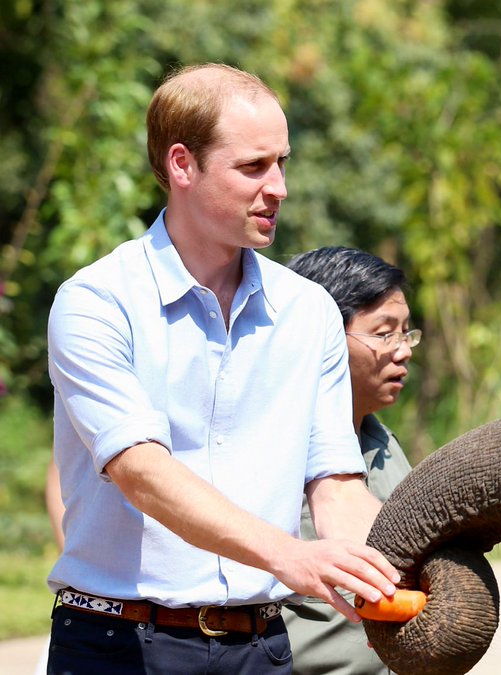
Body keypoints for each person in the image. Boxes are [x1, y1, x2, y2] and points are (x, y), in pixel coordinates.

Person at [44, 63, 400, 674]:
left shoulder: (308, 311)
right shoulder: (96, 302)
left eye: (282, 162)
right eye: (253, 166)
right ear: (182, 165)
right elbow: (142, 472)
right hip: (117, 644)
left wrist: (400, 572)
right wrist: (288, 555)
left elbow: (336, 483)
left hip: (262, 645)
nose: (280, 186)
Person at [282, 246, 419, 675]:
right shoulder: (273, 450)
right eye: (384, 333)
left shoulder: (383, 441)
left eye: (407, 332)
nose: (404, 350)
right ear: (321, 337)